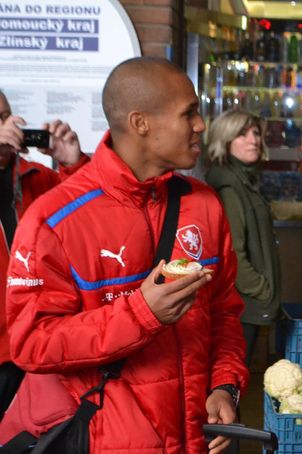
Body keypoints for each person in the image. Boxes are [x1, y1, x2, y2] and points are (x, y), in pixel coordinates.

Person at [2, 57, 249, 453]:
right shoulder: (53, 219)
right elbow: (31, 343)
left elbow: (223, 312)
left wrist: (224, 386)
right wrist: (141, 314)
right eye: (189, 113)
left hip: (194, 439)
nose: (201, 125)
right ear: (140, 123)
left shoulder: (204, 204)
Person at [0, 90, 89, 418]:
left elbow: (91, 217)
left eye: (6, 116)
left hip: (37, 343)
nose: (6, 125)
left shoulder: (37, 177)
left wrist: (73, 163)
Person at [204, 109, 280, 366]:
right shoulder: (229, 186)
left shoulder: (242, 179)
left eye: (255, 133)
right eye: (242, 134)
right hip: (242, 307)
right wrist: (262, 290)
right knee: (232, 381)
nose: (253, 140)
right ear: (225, 141)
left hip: (246, 305)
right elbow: (233, 254)